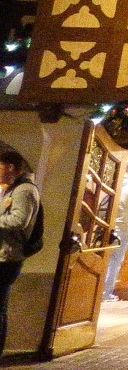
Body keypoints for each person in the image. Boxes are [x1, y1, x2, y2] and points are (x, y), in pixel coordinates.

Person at [0, 151, 40, 352]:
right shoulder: (11, 188)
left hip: (7, 257)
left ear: (10, 167)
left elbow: (19, 220)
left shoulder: (24, 190)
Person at [105, 162, 128, 301]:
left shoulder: (111, 183)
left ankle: (96, 289)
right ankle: (105, 293)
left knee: (103, 258)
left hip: (105, 225)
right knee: (115, 261)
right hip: (121, 227)